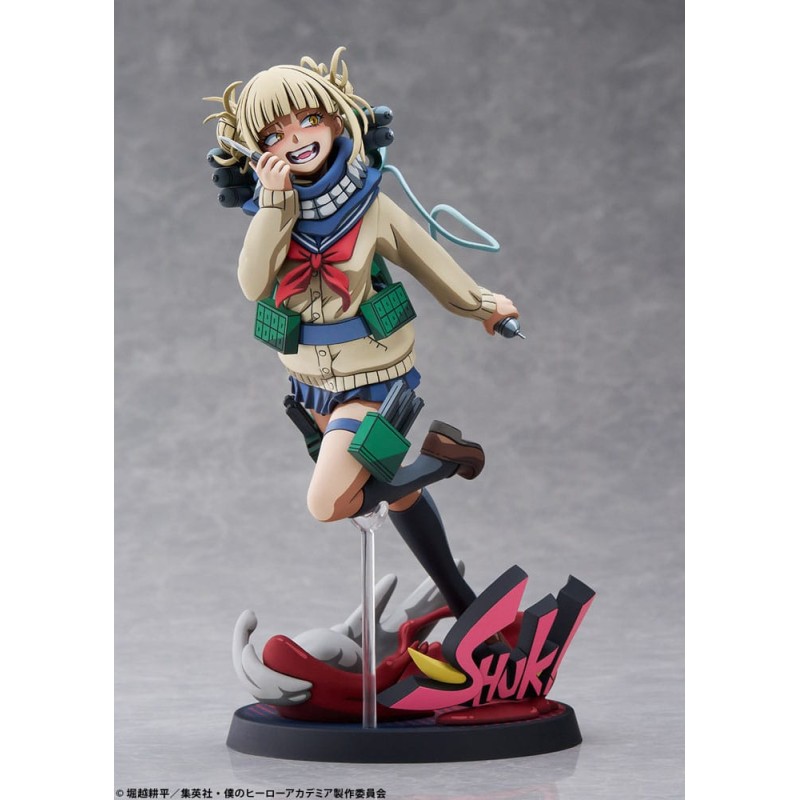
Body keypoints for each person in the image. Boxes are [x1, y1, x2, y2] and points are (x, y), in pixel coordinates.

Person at [205, 47, 518, 616]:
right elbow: (252, 283)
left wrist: (483, 306)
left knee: (329, 503)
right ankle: (464, 603)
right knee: (392, 490)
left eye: (308, 118)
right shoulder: (273, 213)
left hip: (374, 378)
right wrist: (274, 204)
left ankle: (447, 460)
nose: (296, 138)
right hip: (310, 387)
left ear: (335, 118)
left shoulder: (370, 206)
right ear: (256, 149)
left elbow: (429, 261)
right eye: (274, 133)